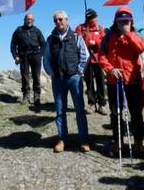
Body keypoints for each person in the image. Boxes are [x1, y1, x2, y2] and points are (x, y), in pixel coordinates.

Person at [98, 7, 144, 157]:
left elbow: (141, 48)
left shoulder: (135, 34)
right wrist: (110, 69)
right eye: (121, 21)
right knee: (115, 113)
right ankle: (118, 142)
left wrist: (128, 34)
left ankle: (139, 142)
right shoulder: (108, 37)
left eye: (127, 21)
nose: (124, 23)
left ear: (131, 21)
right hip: (115, 81)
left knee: (136, 113)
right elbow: (101, 56)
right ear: (116, 21)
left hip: (133, 80)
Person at [43, 10, 90, 153]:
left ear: (67, 20)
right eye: (56, 20)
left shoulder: (76, 37)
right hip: (58, 80)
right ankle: (62, 140)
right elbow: (46, 59)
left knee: (79, 110)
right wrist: (52, 74)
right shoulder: (51, 39)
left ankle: (84, 140)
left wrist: (80, 71)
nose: (58, 22)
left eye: (61, 19)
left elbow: (85, 55)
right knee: (59, 111)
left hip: (74, 78)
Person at [75, 8, 108, 115]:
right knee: (89, 82)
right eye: (90, 18)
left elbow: (104, 42)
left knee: (101, 82)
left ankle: (102, 104)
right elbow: (77, 41)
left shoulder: (100, 28)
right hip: (86, 59)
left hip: (98, 59)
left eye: (94, 18)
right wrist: (87, 43)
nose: (93, 20)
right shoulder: (80, 28)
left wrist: (96, 43)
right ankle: (92, 103)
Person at [11, 13, 46, 108]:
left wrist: (41, 55)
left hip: (36, 55)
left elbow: (43, 44)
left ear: (33, 21)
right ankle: (26, 96)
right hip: (23, 56)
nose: (29, 20)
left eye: (31, 19)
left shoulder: (37, 30)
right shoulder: (19, 30)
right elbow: (13, 44)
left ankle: (36, 96)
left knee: (36, 76)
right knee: (25, 76)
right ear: (24, 20)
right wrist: (15, 56)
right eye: (27, 19)